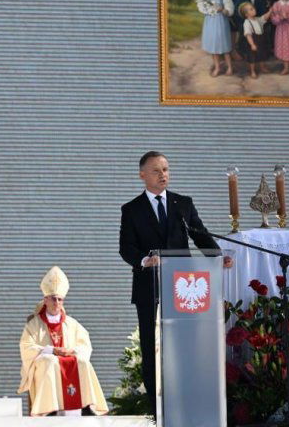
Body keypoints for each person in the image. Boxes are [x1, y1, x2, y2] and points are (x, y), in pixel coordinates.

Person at [119, 151, 234, 415]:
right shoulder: (131, 209)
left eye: (166, 169)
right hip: (149, 288)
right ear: (142, 175)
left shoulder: (182, 204)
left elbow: (201, 236)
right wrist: (144, 260)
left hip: (184, 287)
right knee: (151, 347)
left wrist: (218, 258)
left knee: (186, 345)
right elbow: (126, 248)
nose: (163, 175)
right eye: (157, 170)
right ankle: (156, 409)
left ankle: (188, 402)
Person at [17, 266, 108, 417]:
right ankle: (48, 409)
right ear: (45, 300)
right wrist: (51, 350)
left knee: (83, 362)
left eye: (60, 299)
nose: (56, 302)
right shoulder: (34, 324)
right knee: (50, 361)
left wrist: (71, 351)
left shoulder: (72, 323)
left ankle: (87, 405)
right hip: (46, 360)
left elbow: (85, 345)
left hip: (67, 356)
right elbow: (26, 347)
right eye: (53, 298)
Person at [196, 0, 234, 77]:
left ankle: (230, 67)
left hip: (221, 21)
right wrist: (210, 10)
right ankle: (217, 67)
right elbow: (200, 6)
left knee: (225, 46)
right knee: (214, 47)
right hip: (210, 22)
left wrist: (225, 10)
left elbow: (229, 5)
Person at [237, 1, 271, 79]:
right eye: (251, 9)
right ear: (246, 14)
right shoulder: (247, 22)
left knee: (262, 55)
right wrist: (252, 44)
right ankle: (252, 71)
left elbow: (264, 18)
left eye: (253, 8)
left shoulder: (257, 19)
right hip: (252, 41)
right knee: (252, 58)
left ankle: (262, 67)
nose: (254, 10)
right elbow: (248, 35)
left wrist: (270, 11)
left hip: (261, 40)